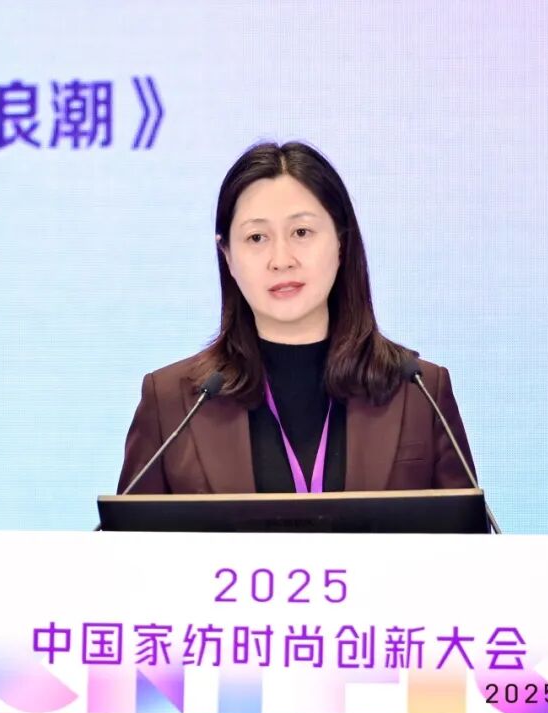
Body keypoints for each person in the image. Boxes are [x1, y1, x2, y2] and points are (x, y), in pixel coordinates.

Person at [117, 141, 476, 495]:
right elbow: (130, 535)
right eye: (256, 237)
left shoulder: (419, 392)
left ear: (341, 241)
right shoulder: (172, 403)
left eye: (301, 232)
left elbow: (466, 533)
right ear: (227, 255)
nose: (281, 260)